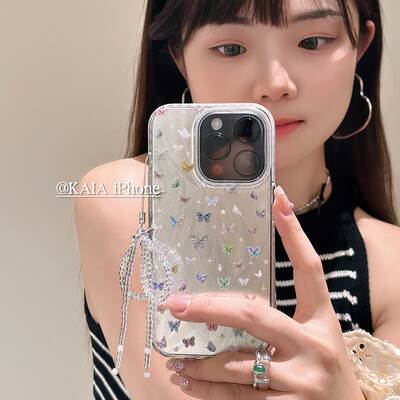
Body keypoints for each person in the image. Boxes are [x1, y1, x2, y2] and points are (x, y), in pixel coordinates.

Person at [74, 0, 400, 399]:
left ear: (361, 45)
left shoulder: (390, 263)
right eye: (231, 49)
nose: (275, 83)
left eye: (313, 41)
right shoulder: (132, 202)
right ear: (179, 56)